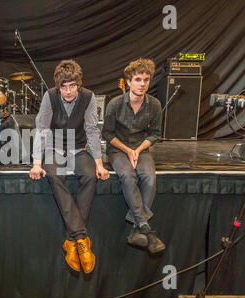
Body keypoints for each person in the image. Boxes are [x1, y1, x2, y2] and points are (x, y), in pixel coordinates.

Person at [29, 60, 110, 274]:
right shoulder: (49, 96)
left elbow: (92, 130)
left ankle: (71, 242)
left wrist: (99, 164)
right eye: (63, 86)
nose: (67, 91)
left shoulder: (88, 97)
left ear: (79, 84)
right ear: (58, 85)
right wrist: (37, 163)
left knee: (90, 176)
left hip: (79, 148)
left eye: (72, 85)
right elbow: (41, 129)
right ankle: (81, 238)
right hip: (54, 148)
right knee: (55, 175)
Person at [102, 58, 165, 254]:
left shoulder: (154, 104)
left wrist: (137, 150)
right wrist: (128, 150)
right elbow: (107, 134)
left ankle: (138, 227)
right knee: (128, 176)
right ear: (128, 82)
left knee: (149, 178)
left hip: (141, 149)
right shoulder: (115, 104)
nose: (142, 84)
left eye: (146, 79)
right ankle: (146, 228)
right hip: (118, 149)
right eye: (137, 79)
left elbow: (155, 133)